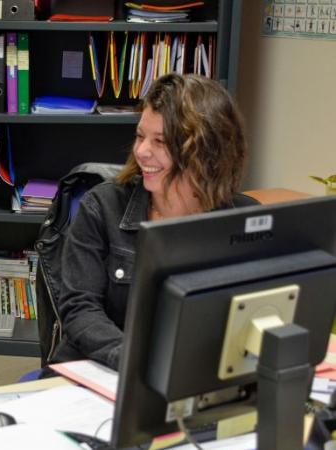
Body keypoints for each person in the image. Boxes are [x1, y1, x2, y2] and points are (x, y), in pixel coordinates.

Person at [48, 74, 258, 371]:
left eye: (160, 141)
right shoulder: (103, 207)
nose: (141, 151)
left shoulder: (242, 222)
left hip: (196, 375)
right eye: (140, 136)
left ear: (206, 151)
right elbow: (80, 309)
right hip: (105, 369)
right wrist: (139, 362)